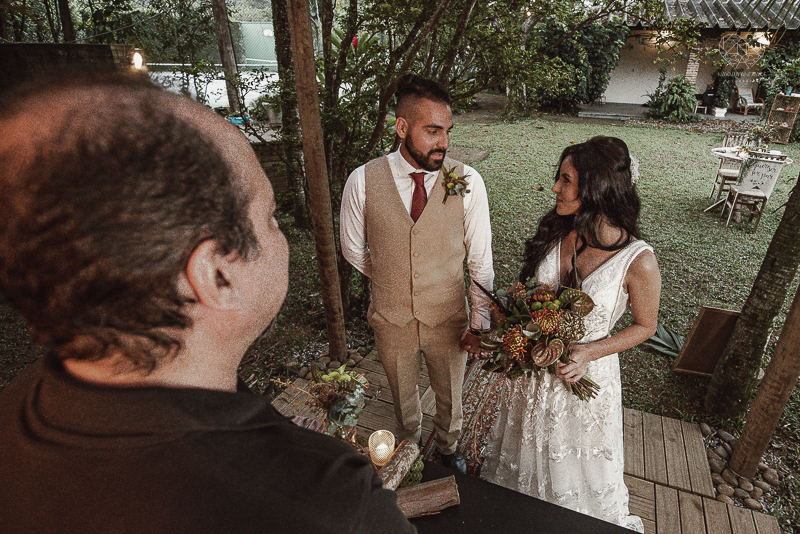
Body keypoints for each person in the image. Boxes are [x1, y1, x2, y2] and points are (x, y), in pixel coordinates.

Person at [0, 70, 417, 534]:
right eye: (270, 216)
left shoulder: (16, 413)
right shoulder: (327, 506)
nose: (281, 238)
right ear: (217, 275)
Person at [480, 136, 660, 532]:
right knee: (522, 460)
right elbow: (532, 292)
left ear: (596, 188)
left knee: (575, 475)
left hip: (582, 378)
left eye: (566, 180)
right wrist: (514, 311)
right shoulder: (561, 230)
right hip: (533, 379)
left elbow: (646, 326)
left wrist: (589, 352)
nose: (555, 188)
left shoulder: (639, 262)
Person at [340, 74, 494, 474]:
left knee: (450, 395)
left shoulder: (468, 182)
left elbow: (480, 260)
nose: (443, 142)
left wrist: (480, 321)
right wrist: (392, 275)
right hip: (391, 318)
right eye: (432, 131)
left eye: (447, 131)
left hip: (448, 316)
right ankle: (407, 449)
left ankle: (448, 447)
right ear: (402, 127)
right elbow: (353, 249)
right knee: (402, 397)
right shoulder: (362, 180)